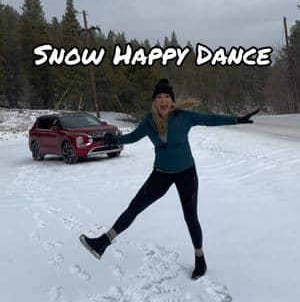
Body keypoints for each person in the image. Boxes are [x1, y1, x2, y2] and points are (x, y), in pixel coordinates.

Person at [80, 79, 259, 280]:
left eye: (167, 97)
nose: (163, 101)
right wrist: (115, 140)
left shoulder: (184, 117)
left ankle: (200, 258)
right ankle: (103, 243)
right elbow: (133, 137)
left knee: (190, 216)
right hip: (161, 174)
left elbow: (210, 119)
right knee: (135, 207)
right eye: (159, 97)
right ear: (154, 102)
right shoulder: (149, 121)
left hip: (186, 173)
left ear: (172, 101)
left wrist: (237, 120)